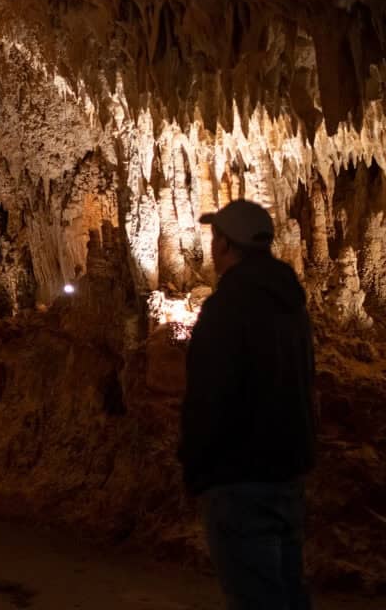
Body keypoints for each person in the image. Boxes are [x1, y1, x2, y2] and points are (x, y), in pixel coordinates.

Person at [179, 199, 316, 610]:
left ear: (225, 244)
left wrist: (195, 467)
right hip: (287, 472)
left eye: (216, 237)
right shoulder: (291, 307)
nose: (213, 246)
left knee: (256, 598)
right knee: (288, 592)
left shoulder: (227, 308)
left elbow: (209, 394)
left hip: (237, 476)